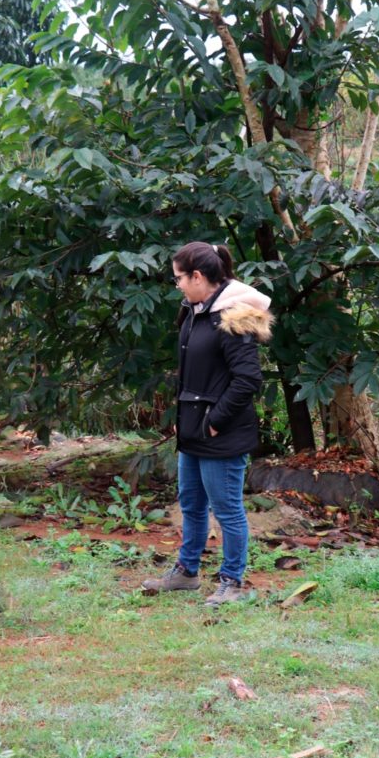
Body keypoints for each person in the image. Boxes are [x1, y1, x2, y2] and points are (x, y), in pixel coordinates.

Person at [141, 242, 273, 606]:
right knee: (192, 503)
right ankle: (186, 573)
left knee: (227, 508)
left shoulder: (233, 318)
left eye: (180, 278)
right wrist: (187, 422)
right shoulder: (196, 311)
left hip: (221, 433)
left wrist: (215, 421)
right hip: (193, 431)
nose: (178, 285)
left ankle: (232, 582)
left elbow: (247, 380)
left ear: (198, 276)